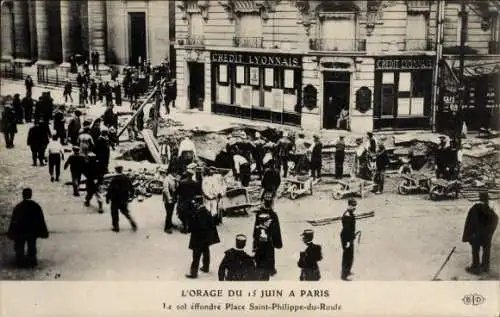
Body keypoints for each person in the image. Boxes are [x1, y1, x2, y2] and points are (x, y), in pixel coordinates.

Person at [7, 188, 49, 268]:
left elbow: (14, 220)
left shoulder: (18, 207)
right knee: (32, 244)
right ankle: (32, 259)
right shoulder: (36, 206)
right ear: (31, 195)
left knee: (19, 244)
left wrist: (12, 231)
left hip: (21, 230)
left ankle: (20, 259)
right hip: (32, 230)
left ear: (23, 195)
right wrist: (43, 230)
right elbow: (40, 219)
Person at [462, 192, 498, 275]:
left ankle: (476, 268)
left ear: (479, 198)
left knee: (475, 250)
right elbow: (496, 219)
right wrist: (490, 232)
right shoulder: (489, 209)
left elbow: (471, 222)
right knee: (486, 250)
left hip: (477, 234)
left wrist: (470, 234)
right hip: (487, 235)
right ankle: (485, 267)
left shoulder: (475, 208)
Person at [185, 201, 220, 279]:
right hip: (206, 237)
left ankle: (193, 273)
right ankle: (206, 267)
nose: (194, 205)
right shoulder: (206, 211)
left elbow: (193, 226)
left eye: (195, 203)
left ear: (198, 204)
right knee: (206, 251)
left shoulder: (198, 213)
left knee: (196, 255)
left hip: (198, 238)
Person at [253, 194, 283, 280]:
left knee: (259, 262)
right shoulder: (273, 215)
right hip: (269, 243)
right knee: (268, 261)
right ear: (271, 203)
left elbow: (255, 230)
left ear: (263, 202)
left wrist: (255, 242)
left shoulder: (258, 213)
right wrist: (277, 243)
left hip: (259, 243)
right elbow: (277, 231)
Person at [106, 165, 138, 232]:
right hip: (124, 198)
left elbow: (110, 189)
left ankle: (116, 227)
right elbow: (131, 187)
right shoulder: (126, 178)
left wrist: (107, 198)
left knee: (114, 213)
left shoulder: (114, 179)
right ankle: (132, 222)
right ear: (121, 170)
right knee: (125, 211)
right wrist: (132, 195)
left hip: (115, 199)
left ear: (116, 170)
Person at [177, 163, 200, 233]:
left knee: (182, 214)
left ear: (186, 174)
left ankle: (185, 227)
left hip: (183, 200)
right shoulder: (195, 182)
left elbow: (178, 192)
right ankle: (189, 228)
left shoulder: (182, 182)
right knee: (190, 214)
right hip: (191, 200)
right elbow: (197, 192)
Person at [341, 199, 357, 281]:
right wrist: (347, 242)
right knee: (347, 256)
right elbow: (346, 230)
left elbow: (351, 228)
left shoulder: (350, 213)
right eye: (353, 206)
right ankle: (344, 275)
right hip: (346, 238)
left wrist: (353, 235)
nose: (354, 207)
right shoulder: (347, 215)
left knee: (350, 256)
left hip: (350, 237)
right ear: (349, 205)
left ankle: (348, 271)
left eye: (355, 206)